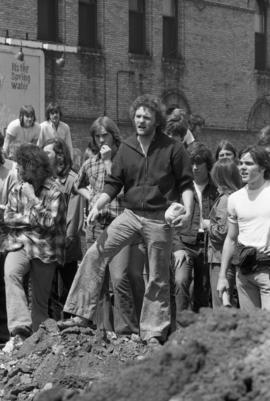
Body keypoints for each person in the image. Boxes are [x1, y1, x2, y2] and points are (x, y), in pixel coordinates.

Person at [59, 94, 194, 346]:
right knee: (95, 252)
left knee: (157, 276)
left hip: (159, 219)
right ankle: (79, 314)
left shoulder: (172, 149)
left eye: (147, 116)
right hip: (130, 215)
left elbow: (186, 184)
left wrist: (187, 211)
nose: (141, 120)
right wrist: (97, 205)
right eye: (138, 116)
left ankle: (153, 332)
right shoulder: (127, 148)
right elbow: (113, 184)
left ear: (156, 121)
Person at [73, 116, 145, 335]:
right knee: (98, 281)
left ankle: (128, 330)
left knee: (119, 278)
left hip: (120, 225)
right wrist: (91, 195)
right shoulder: (90, 162)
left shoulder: (124, 158)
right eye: (97, 136)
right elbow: (77, 184)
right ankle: (103, 329)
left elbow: (123, 191)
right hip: (96, 226)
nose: (101, 139)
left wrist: (107, 161)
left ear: (114, 135)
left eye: (105, 135)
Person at [2, 144, 66, 352]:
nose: (18, 170)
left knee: (39, 299)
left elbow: (50, 223)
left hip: (45, 249)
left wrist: (32, 199)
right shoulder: (17, 188)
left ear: (35, 167)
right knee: (11, 273)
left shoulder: (55, 192)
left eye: (22, 166)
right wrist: (32, 218)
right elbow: (8, 218)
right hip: (20, 243)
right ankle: (20, 330)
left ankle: (38, 345)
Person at [217, 145, 270, 311]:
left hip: (267, 270)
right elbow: (231, 238)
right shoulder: (234, 199)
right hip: (244, 273)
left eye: (248, 164)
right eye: (240, 163)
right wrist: (222, 276)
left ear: (262, 167)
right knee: (251, 331)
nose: (242, 168)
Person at [172, 142, 218, 322]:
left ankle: (198, 332)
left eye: (199, 163)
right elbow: (170, 220)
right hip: (184, 244)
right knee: (180, 281)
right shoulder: (182, 188)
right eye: (191, 163)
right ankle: (180, 329)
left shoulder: (216, 190)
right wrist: (176, 247)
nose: (194, 167)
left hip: (207, 245)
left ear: (208, 165)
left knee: (203, 290)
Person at [43, 139, 84, 317]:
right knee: (49, 288)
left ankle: (68, 322)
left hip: (65, 244)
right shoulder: (44, 179)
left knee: (68, 285)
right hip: (47, 243)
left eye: (48, 152)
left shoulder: (72, 180)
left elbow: (73, 215)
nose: (44, 156)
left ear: (59, 156)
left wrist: (67, 238)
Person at [208, 158, 242, 308]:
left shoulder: (225, 200)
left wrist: (208, 225)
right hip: (231, 257)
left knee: (220, 303)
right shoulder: (238, 197)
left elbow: (222, 232)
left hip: (219, 257)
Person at [0, 133, 17, 346]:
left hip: (3, 233)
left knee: (2, 284)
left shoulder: (9, 174)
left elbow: (14, 206)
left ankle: (3, 332)